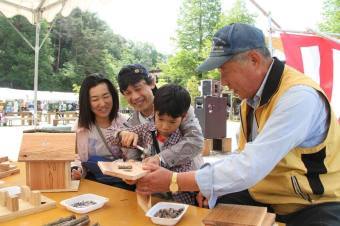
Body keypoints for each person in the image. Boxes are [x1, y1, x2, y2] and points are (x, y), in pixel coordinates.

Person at [134, 23, 340, 225]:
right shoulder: (249, 103)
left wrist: (175, 181)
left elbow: (251, 165)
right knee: (211, 202)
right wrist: (211, 186)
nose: (222, 81)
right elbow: (242, 155)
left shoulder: (298, 97)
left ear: (254, 60)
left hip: (313, 204)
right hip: (266, 195)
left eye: (223, 70)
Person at [106, 84, 198, 205]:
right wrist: (122, 134)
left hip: (179, 202)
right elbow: (109, 136)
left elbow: (181, 179)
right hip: (147, 200)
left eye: (172, 121)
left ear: (184, 116)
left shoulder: (185, 143)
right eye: (160, 119)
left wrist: (148, 172)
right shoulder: (146, 129)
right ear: (154, 109)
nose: (165, 126)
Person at [117, 64, 203, 170]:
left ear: (152, 83)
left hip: (186, 179)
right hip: (153, 183)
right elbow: (133, 158)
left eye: (138, 88)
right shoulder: (130, 124)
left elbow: (195, 141)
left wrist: (161, 158)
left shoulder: (177, 104)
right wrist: (131, 171)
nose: (135, 96)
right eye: (128, 93)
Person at [71, 73, 133, 190]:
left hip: (123, 184)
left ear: (113, 96)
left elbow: (133, 161)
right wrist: (77, 170)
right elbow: (76, 157)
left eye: (105, 96)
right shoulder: (80, 127)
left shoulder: (126, 123)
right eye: (95, 99)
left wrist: (117, 168)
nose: (102, 103)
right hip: (93, 181)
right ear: (87, 102)